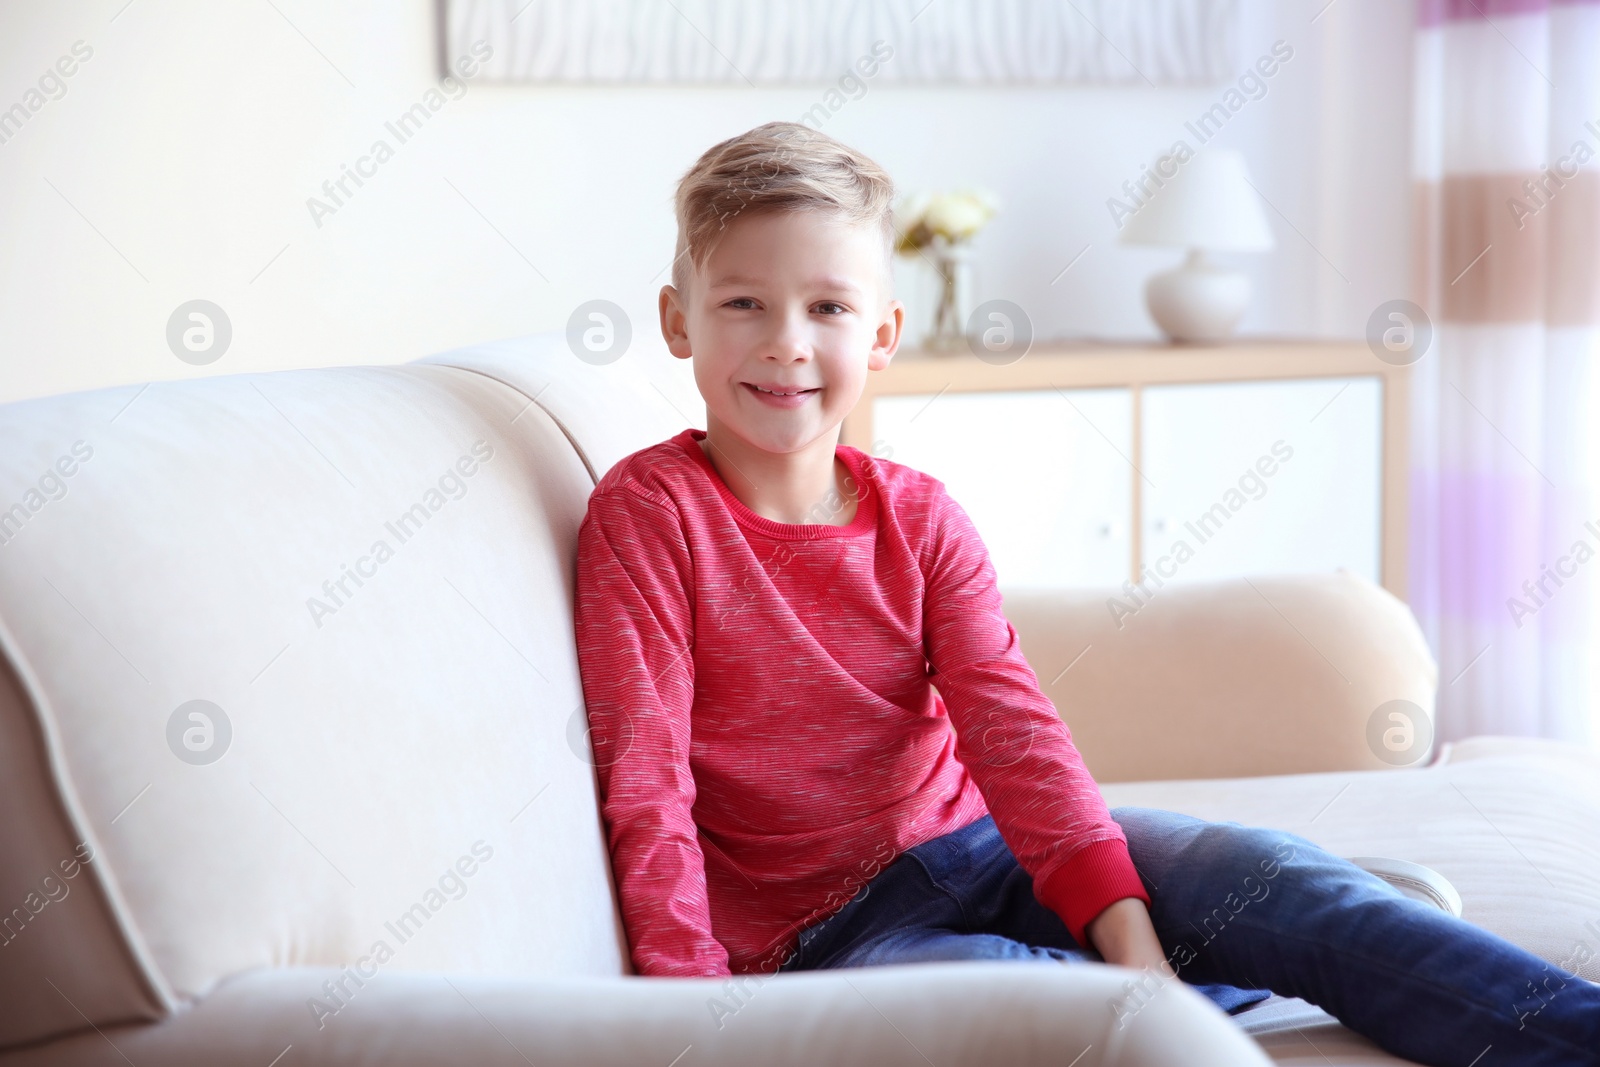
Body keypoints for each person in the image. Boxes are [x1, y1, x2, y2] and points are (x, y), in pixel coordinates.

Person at [572, 120, 1599, 1066]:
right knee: (1062, 1007)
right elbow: (645, 780)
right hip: (828, 939)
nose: (787, 341)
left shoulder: (921, 517)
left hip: (981, 849)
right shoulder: (650, 516)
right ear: (679, 320)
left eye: (827, 307)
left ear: (881, 334)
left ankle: (1380, 954)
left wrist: (1132, 939)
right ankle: (1283, 960)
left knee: (1276, 875)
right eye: (743, 301)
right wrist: (690, 1016)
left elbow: (1015, 734)